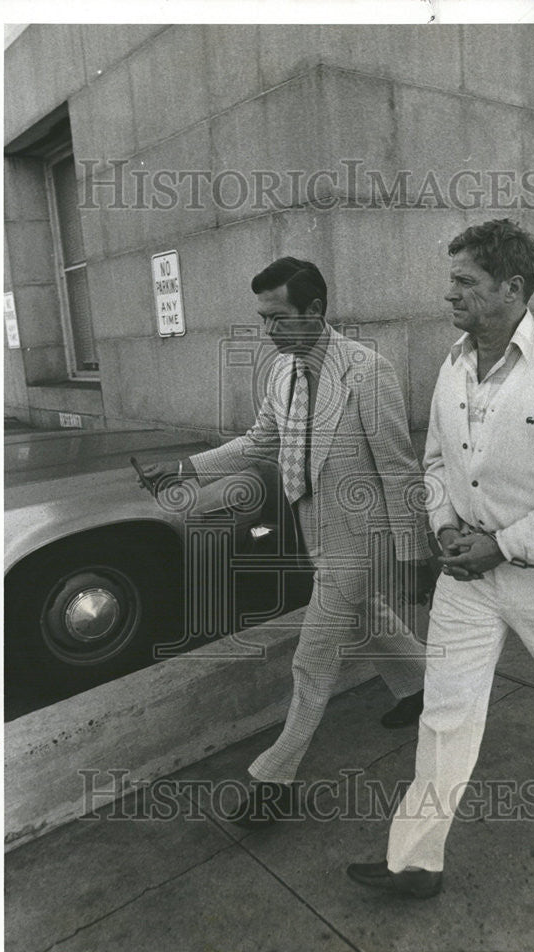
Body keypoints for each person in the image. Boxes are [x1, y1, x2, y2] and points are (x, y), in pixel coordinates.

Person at [348, 219, 534, 898]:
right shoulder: (452, 365)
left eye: (465, 280)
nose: (449, 293)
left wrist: (502, 544)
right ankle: (414, 862)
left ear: (512, 287)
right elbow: (438, 459)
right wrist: (445, 526)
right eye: (452, 279)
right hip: (467, 581)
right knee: (445, 712)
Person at [144, 257, 433, 826]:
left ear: (315, 310)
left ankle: (273, 778)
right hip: (312, 528)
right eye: (263, 319)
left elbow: (400, 470)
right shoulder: (281, 373)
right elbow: (259, 442)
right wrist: (186, 468)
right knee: (365, 616)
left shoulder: (366, 371)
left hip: (360, 533)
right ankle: (423, 685)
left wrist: (413, 553)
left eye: (279, 318)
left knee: (313, 655)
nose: (269, 332)